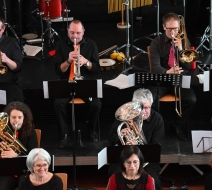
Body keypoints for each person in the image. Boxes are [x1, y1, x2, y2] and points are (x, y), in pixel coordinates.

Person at [149, 12, 197, 141]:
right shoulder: (156, 42)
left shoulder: (184, 40)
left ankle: (177, 125)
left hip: (179, 79)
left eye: (176, 29)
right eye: (170, 29)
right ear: (164, 27)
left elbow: (187, 67)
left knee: (191, 99)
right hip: (163, 78)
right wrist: (168, 72)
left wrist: (180, 49)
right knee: (151, 100)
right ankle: (156, 128)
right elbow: (154, 67)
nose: (173, 32)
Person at [54, 19, 101, 148]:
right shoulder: (61, 45)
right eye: (72, 32)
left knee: (96, 104)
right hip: (67, 82)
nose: (75, 36)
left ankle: (92, 130)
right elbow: (58, 70)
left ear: (83, 32)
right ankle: (64, 135)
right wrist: (69, 60)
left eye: (78, 33)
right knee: (58, 103)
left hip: (85, 83)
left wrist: (86, 62)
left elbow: (97, 69)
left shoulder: (91, 44)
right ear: (68, 31)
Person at [108, 88, 164, 190]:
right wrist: (120, 134)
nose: (144, 112)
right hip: (124, 159)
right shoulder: (125, 115)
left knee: (154, 180)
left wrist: (137, 148)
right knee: (114, 174)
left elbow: (156, 146)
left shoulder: (157, 119)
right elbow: (111, 138)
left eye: (147, 108)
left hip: (147, 161)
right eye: (141, 108)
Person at [0, 101, 38, 190]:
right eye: (13, 117)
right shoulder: (1, 132)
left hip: (25, 170)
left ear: (24, 118)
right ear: (8, 118)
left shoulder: (30, 132)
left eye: (20, 117)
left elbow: (34, 156)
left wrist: (16, 156)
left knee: (26, 185)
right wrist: (0, 150)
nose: (17, 120)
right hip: (7, 171)